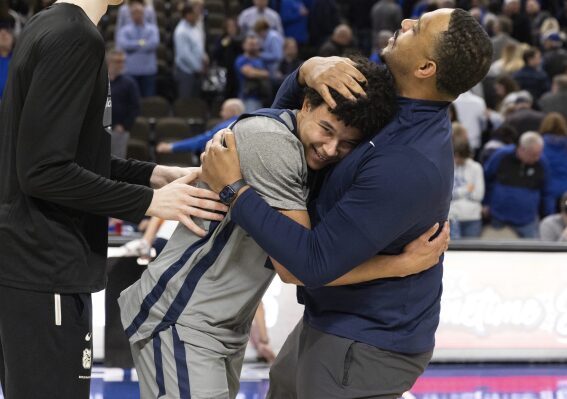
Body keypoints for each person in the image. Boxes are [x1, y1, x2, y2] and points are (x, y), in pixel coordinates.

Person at [202, 8, 492, 398]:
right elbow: (293, 124)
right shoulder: (389, 100)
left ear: (425, 67)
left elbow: (308, 264)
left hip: (366, 344)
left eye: (417, 28)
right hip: (332, 323)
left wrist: (234, 192)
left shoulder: (406, 163)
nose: (405, 23)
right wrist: (307, 71)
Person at [119, 58, 441, 398]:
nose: (331, 149)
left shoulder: (299, 145)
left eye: (346, 143)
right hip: (181, 315)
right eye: (327, 130)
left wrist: (305, 70)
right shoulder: (270, 142)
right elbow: (297, 265)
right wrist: (401, 265)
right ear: (306, 103)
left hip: (217, 324)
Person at [0, 1, 228, 398]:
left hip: (17, 253)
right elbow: (44, 171)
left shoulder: (49, 25)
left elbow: (66, 154)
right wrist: (148, 203)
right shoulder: (75, 37)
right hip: (40, 258)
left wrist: (153, 175)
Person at [484, 131, 553, 238]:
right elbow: (487, 178)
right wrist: (486, 203)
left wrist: (548, 215)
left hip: (528, 222)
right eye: (534, 155)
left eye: (539, 153)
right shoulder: (501, 156)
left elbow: (547, 192)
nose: (537, 158)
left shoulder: (542, 163)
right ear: (522, 149)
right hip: (499, 219)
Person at [156, 98, 244, 155]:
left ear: (233, 111)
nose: (221, 114)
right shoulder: (247, 124)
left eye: (223, 110)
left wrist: (172, 147)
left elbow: (200, 141)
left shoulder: (226, 126)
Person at [115, 0, 159, 97]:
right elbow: (124, 44)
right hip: (131, 70)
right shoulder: (124, 30)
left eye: (139, 13)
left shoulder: (152, 29)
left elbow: (154, 43)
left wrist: (133, 46)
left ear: (143, 13)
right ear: (130, 14)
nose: (137, 15)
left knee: (148, 102)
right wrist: (142, 43)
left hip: (148, 70)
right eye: (134, 13)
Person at [449, 135, 485, 239]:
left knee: (472, 252)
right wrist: (466, 190)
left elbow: (478, 195)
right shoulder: (448, 166)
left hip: (472, 217)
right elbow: (447, 195)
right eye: (455, 156)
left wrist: (456, 193)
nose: (457, 159)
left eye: (460, 156)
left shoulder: (476, 168)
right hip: (452, 216)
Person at [107, 48, 140, 159]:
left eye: (122, 61)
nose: (121, 64)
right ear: (109, 62)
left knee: (118, 161)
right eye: (118, 61)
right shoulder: (100, 80)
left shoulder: (129, 83)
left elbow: (135, 107)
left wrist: (124, 126)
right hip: (99, 129)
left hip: (118, 130)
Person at [173, 3, 206, 99]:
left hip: (196, 71)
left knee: (196, 101)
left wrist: (204, 56)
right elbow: (184, 55)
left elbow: (198, 46)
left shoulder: (194, 27)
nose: (198, 16)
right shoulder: (181, 31)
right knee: (186, 102)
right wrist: (197, 67)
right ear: (188, 15)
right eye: (196, 13)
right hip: (186, 72)